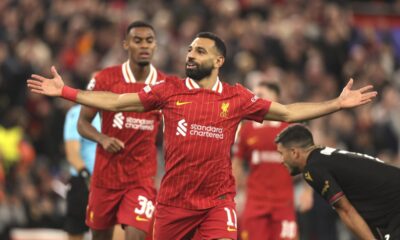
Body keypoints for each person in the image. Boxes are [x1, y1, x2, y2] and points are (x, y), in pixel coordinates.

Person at [27, 32, 377, 240]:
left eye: (199, 51)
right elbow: (117, 101)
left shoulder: (237, 97)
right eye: (189, 50)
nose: (190, 55)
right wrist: (66, 92)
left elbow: (286, 112)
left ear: (219, 60)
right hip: (173, 204)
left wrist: (337, 104)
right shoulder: (168, 90)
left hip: (216, 203)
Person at [79, 21, 165, 240]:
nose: (144, 45)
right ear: (126, 44)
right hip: (105, 178)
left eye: (149, 41)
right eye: (138, 40)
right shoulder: (104, 78)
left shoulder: (165, 85)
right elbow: (83, 123)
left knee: (136, 235)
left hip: (141, 180)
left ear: (156, 45)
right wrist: (102, 138)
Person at [275, 124, 400, 240]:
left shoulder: (312, 169)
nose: (281, 160)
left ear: (294, 152)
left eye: (281, 154)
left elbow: (346, 210)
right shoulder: (324, 157)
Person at [232, 82, 297, 240]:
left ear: (275, 98)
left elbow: (305, 160)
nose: (256, 99)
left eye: (261, 95)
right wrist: (233, 192)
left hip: (283, 203)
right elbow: (237, 162)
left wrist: (308, 190)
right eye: (255, 95)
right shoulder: (247, 129)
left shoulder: (290, 128)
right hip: (256, 202)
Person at [63, 103, 101, 240]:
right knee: (76, 232)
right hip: (84, 183)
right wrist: (87, 176)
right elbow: (72, 153)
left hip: (108, 183)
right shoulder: (77, 112)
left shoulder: (114, 113)